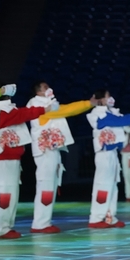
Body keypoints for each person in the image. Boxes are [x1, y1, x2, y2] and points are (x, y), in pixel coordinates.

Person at [27, 83, 95, 234]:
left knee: (50, 186)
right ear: (39, 90)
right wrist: (88, 103)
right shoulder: (37, 104)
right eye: (46, 87)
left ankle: (44, 222)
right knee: (45, 186)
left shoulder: (47, 103)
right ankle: (40, 223)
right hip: (44, 150)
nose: (50, 88)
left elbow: (63, 108)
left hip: (52, 149)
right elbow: (65, 110)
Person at [0, 84, 47, 239]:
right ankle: (1, 228)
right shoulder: (1, 111)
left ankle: (2, 226)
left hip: (3, 156)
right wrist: (45, 109)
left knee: (1, 192)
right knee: (6, 192)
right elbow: (23, 114)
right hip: (5, 156)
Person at [85, 90, 130, 228]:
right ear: (101, 100)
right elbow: (118, 121)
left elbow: (122, 118)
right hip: (103, 153)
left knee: (112, 186)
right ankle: (96, 218)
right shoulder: (96, 114)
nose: (111, 98)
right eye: (107, 96)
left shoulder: (113, 112)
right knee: (102, 185)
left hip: (113, 153)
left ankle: (110, 216)